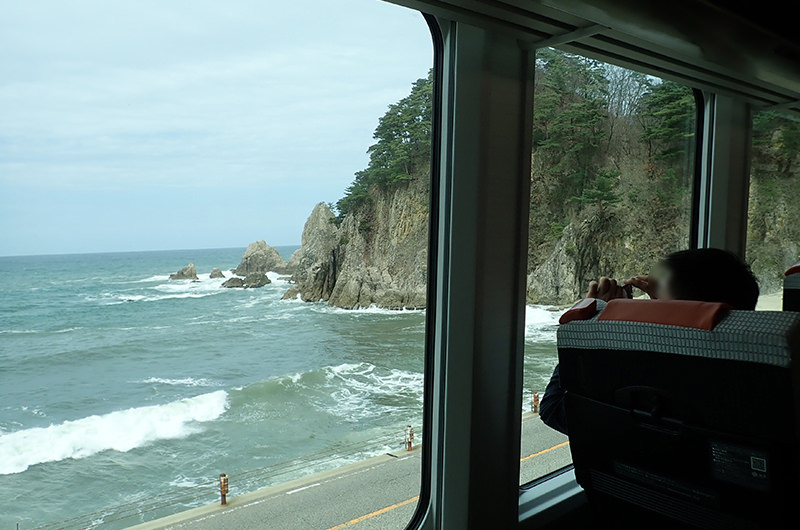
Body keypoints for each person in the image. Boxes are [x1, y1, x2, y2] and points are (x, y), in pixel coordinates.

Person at [539, 248, 760, 435]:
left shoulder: (649, 380)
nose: (650, 307)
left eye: (657, 302)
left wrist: (590, 326)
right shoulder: (751, 379)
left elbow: (554, 408)